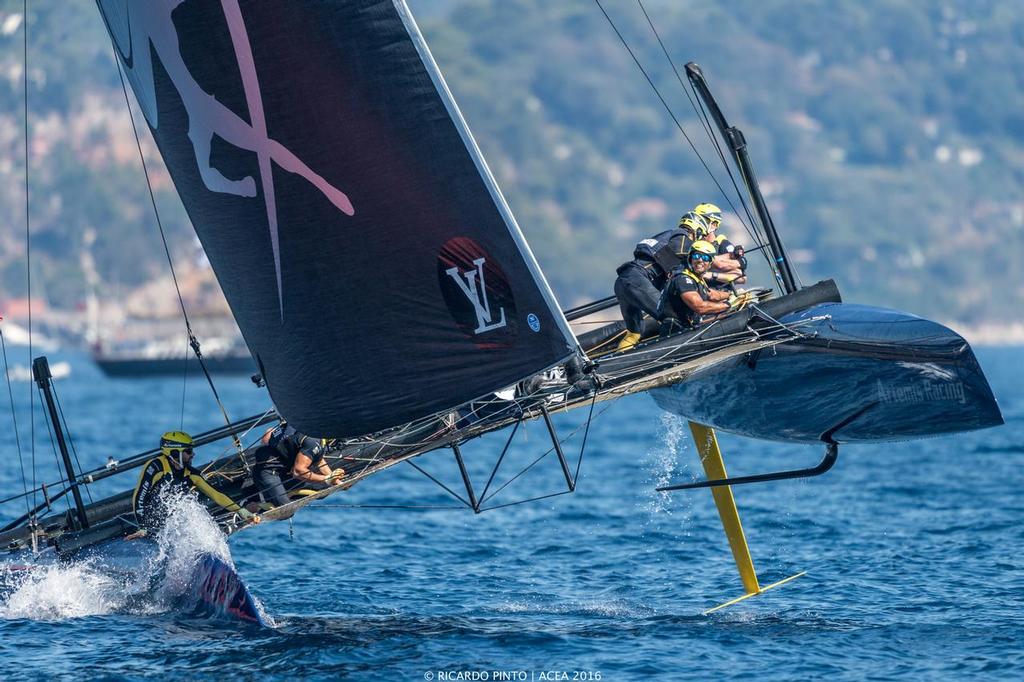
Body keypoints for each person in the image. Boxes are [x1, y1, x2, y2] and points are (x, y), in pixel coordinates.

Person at [132, 431, 259, 533]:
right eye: (188, 451)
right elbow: (139, 497)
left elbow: (216, 494)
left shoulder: (191, 474)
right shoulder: (155, 467)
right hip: (150, 524)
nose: (193, 454)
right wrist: (143, 527)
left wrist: (240, 511)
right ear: (175, 453)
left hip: (173, 526)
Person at [613, 214, 707, 351]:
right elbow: (683, 254)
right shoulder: (682, 236)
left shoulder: (664, 236)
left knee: (634, 333)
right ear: (697, 231)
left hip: (623, 281)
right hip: (637, 280)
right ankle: (666, 359)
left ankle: (617, 366)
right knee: (674, 318)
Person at [658, 240, 753, 331]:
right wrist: (729, 305)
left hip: (686, 327)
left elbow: (711, 294)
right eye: (696, 255)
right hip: (674, 329)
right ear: (690, 258)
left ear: (710, 264)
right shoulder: (683, 279)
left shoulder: (696, 278)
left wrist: (732, 294)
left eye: (705, 258)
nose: (700, 260)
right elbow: (700, 307)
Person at [252, 423, 346, 508]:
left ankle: (283, 495)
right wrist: (327, 479)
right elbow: (298, 472)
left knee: (323, 487)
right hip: (268, 472)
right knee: (286, 511)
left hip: (280, 470)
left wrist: (336, 481)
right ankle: (252, 507)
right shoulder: (313, 441)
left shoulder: (309, 432)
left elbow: (319, 460)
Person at [693, 203, 747, 288]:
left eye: (703, 221)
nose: (698, 224)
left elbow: (742, 278)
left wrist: (711, 275)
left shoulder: (723, 245)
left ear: (714, 225)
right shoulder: (692, 243)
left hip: (721, 294)